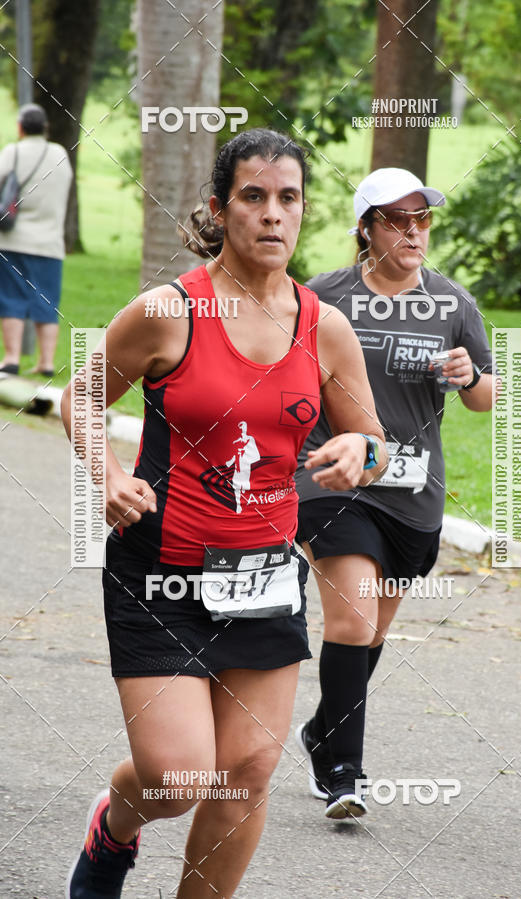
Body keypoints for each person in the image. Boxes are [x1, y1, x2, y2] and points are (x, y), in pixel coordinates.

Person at [61, 128, 387, 898]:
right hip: (161, 573)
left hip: (264, 574)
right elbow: (78, 396)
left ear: (305, 210)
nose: (273, 214)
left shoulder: (323, 327)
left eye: (289, 198)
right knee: (177, 777)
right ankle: (115, 823)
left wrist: (358, 456)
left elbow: (373, 439)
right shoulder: (167, 312)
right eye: (253, 197)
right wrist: (107, 475)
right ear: (220, 207)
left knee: (246, 771)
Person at [294, 166, 497, 819]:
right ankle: (343, 771)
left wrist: (469, 376)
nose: (414, 231)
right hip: (335, 480)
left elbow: (486, 398)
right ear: (366, 226)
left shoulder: (452, 304)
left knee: (371, 632)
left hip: (414, 493)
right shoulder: (324, 296)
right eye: (397, 218)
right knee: (351, 619)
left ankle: (323, 728)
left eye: (423, 218)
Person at [0, 103, 72, 376]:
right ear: (46, 128)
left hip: (13, 240)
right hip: (50, 243)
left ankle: (11, 359)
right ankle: (46, 362)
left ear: (20, 127)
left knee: (11, 298)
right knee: (47, 302)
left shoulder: (12, 152)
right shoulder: (60, 154)